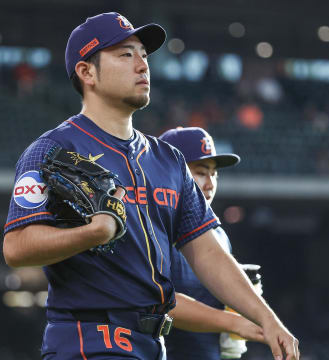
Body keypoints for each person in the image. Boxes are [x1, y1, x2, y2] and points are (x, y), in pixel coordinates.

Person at [2, 12, 299, 360]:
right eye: (125, 54)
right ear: (87, 73)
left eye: (144, 55)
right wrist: (91, 234)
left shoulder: (168, 159)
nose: (142, 65)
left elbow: (207, 252)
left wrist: (266, 319)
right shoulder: (53, 150)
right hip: (89, 340)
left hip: (153, 343)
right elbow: (16, 248)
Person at [159, 127, 261, 360]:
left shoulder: (219, 235)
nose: (210, 183)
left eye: (214, 174)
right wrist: (233, 322)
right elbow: (158, 303)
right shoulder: (153, 228)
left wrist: (239, 301)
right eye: (201, 172)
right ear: (168, 172)